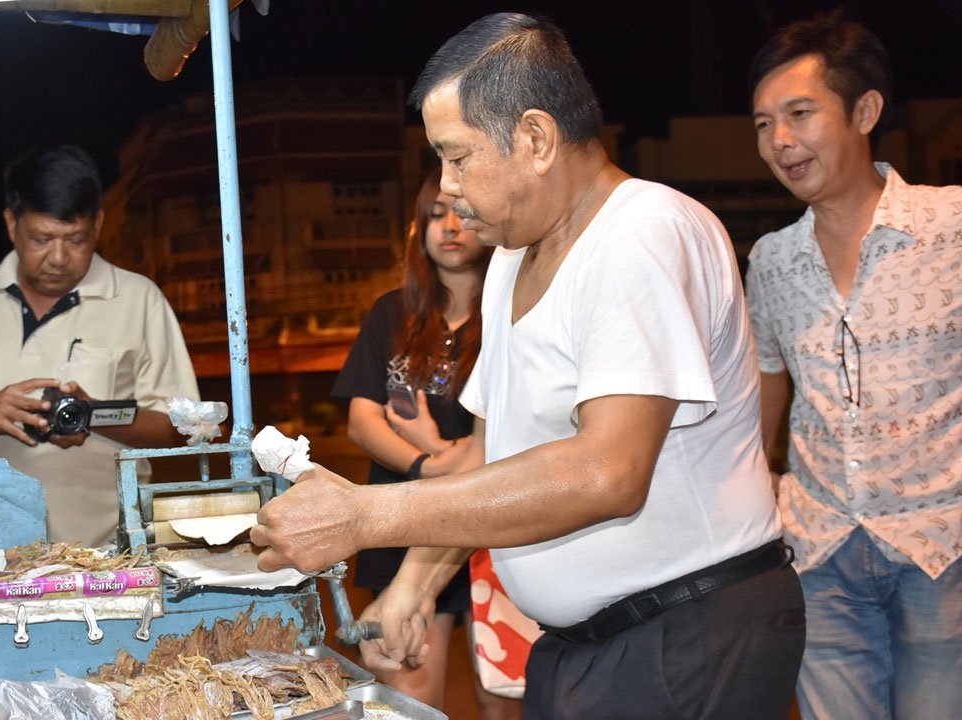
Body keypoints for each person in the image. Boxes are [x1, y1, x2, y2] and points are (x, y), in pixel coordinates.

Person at [252, 13, 804, 719]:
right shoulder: (511, 260)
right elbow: (493, 453)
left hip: (686, 636)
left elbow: (607, 471)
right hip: (586, 644)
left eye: (458, 157)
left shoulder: (641, 233)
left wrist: (367, 515)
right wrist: (416, 584)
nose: (446, 188)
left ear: (537, 138)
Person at [745, 13, 962, 720]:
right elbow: (762, 412)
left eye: (800, 114)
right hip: (821, 552)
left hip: (942, 548)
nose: (780, 141)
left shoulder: (951, 226)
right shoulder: (771, 261)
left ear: (864, 111)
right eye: (763, 123)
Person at [0, 145, 199, 547]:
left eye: (76, 239)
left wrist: (91, 414)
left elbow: (177, 430)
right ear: (11, 224)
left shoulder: (139, 299)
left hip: (111, 552)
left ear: (98, 224)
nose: (59, 258)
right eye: (42, 239)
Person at [332, 167, 519, 717]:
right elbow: (362, 421)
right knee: (407, 698)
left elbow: (506, 434)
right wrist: (428, 465)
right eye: (434, 214)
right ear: (417, 229)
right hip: (404, 526)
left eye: (461, 211)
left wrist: (449, 459)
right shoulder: (391, 312)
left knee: (503, 696)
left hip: (501, 526)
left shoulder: (513, 311)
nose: (450, 226)